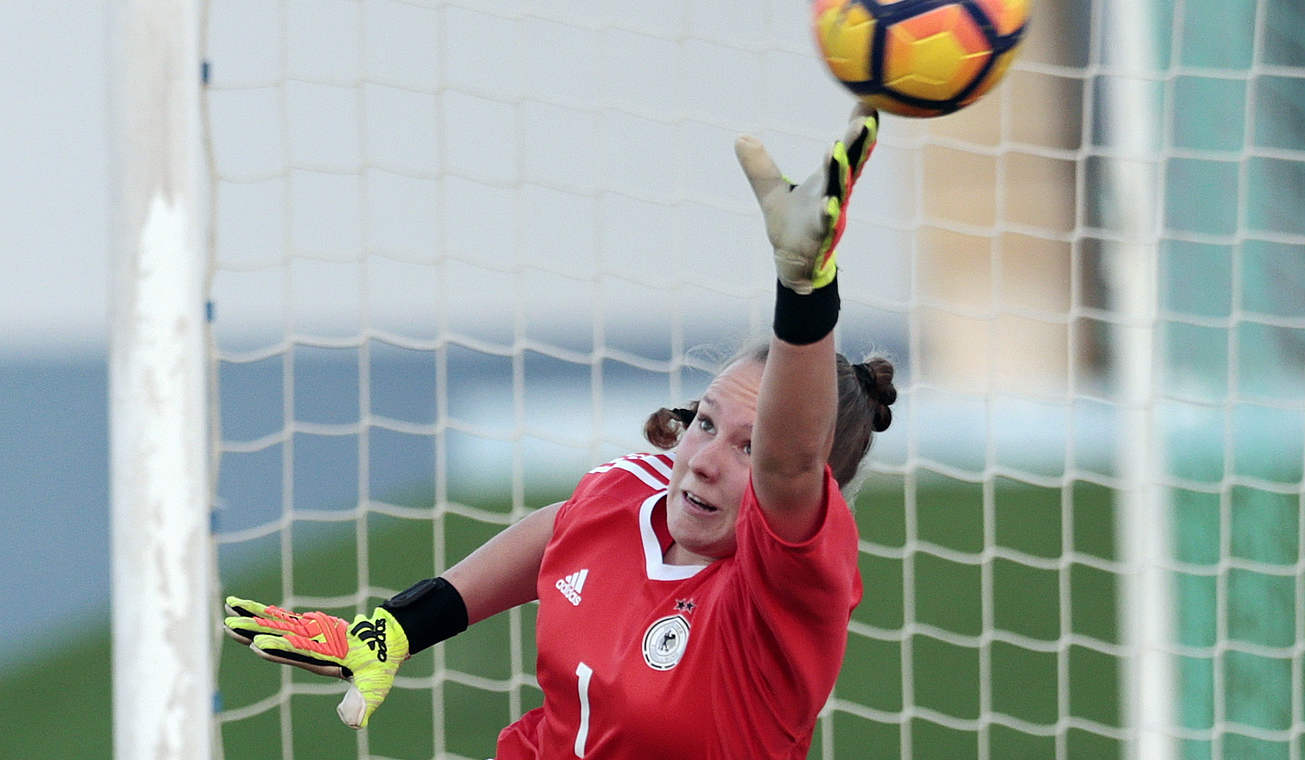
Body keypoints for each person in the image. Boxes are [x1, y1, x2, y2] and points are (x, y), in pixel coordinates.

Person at [223, 103, 897, 759]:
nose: (703, 461)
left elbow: (791, 462)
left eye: (749, 448)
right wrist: (397, 627)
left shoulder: (789, 587)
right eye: (706, 423)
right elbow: (567, 528)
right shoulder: (632, 496)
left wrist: (804, 291)